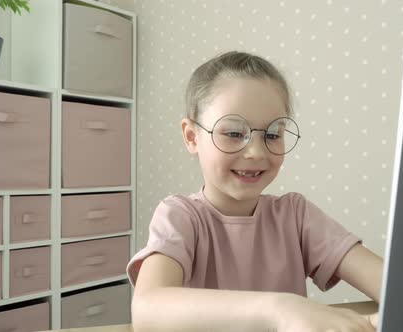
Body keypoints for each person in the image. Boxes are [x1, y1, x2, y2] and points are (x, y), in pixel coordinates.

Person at [127, 51, 384, 332]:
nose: (256, 152)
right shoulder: (180, 216)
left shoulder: (295, 215)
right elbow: (147, 310)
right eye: (234, 133)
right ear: (192, 137)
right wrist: (279, 310)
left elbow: (393, 286)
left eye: (273, 134)